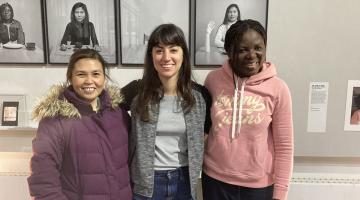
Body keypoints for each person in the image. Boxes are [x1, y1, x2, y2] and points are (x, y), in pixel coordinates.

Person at [202, 19, 294, 200]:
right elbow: (206, 129)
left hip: (258, 187)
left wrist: (281, 193)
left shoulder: (278, 89)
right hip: (215, 181)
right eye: (243, 49)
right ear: (229, 52)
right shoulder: (213, 80)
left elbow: (284, 146)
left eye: (258, 48)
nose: (252, 55)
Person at [120, 23, 211, 200]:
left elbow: (206, 131)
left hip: (185, 182)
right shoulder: (136, 91)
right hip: (146, 183)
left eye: (173, 49)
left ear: (183, 54)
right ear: (151, 55)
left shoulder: (200, 96)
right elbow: (101, 105)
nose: (166, 57)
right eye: (159, 50)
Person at [27, 49, 132, 200]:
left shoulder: (118, 114)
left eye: (96, 74)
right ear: (70, 77)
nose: (89, 81)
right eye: (81, 74)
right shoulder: (55, 121)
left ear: (104, 78)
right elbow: (43, 182)